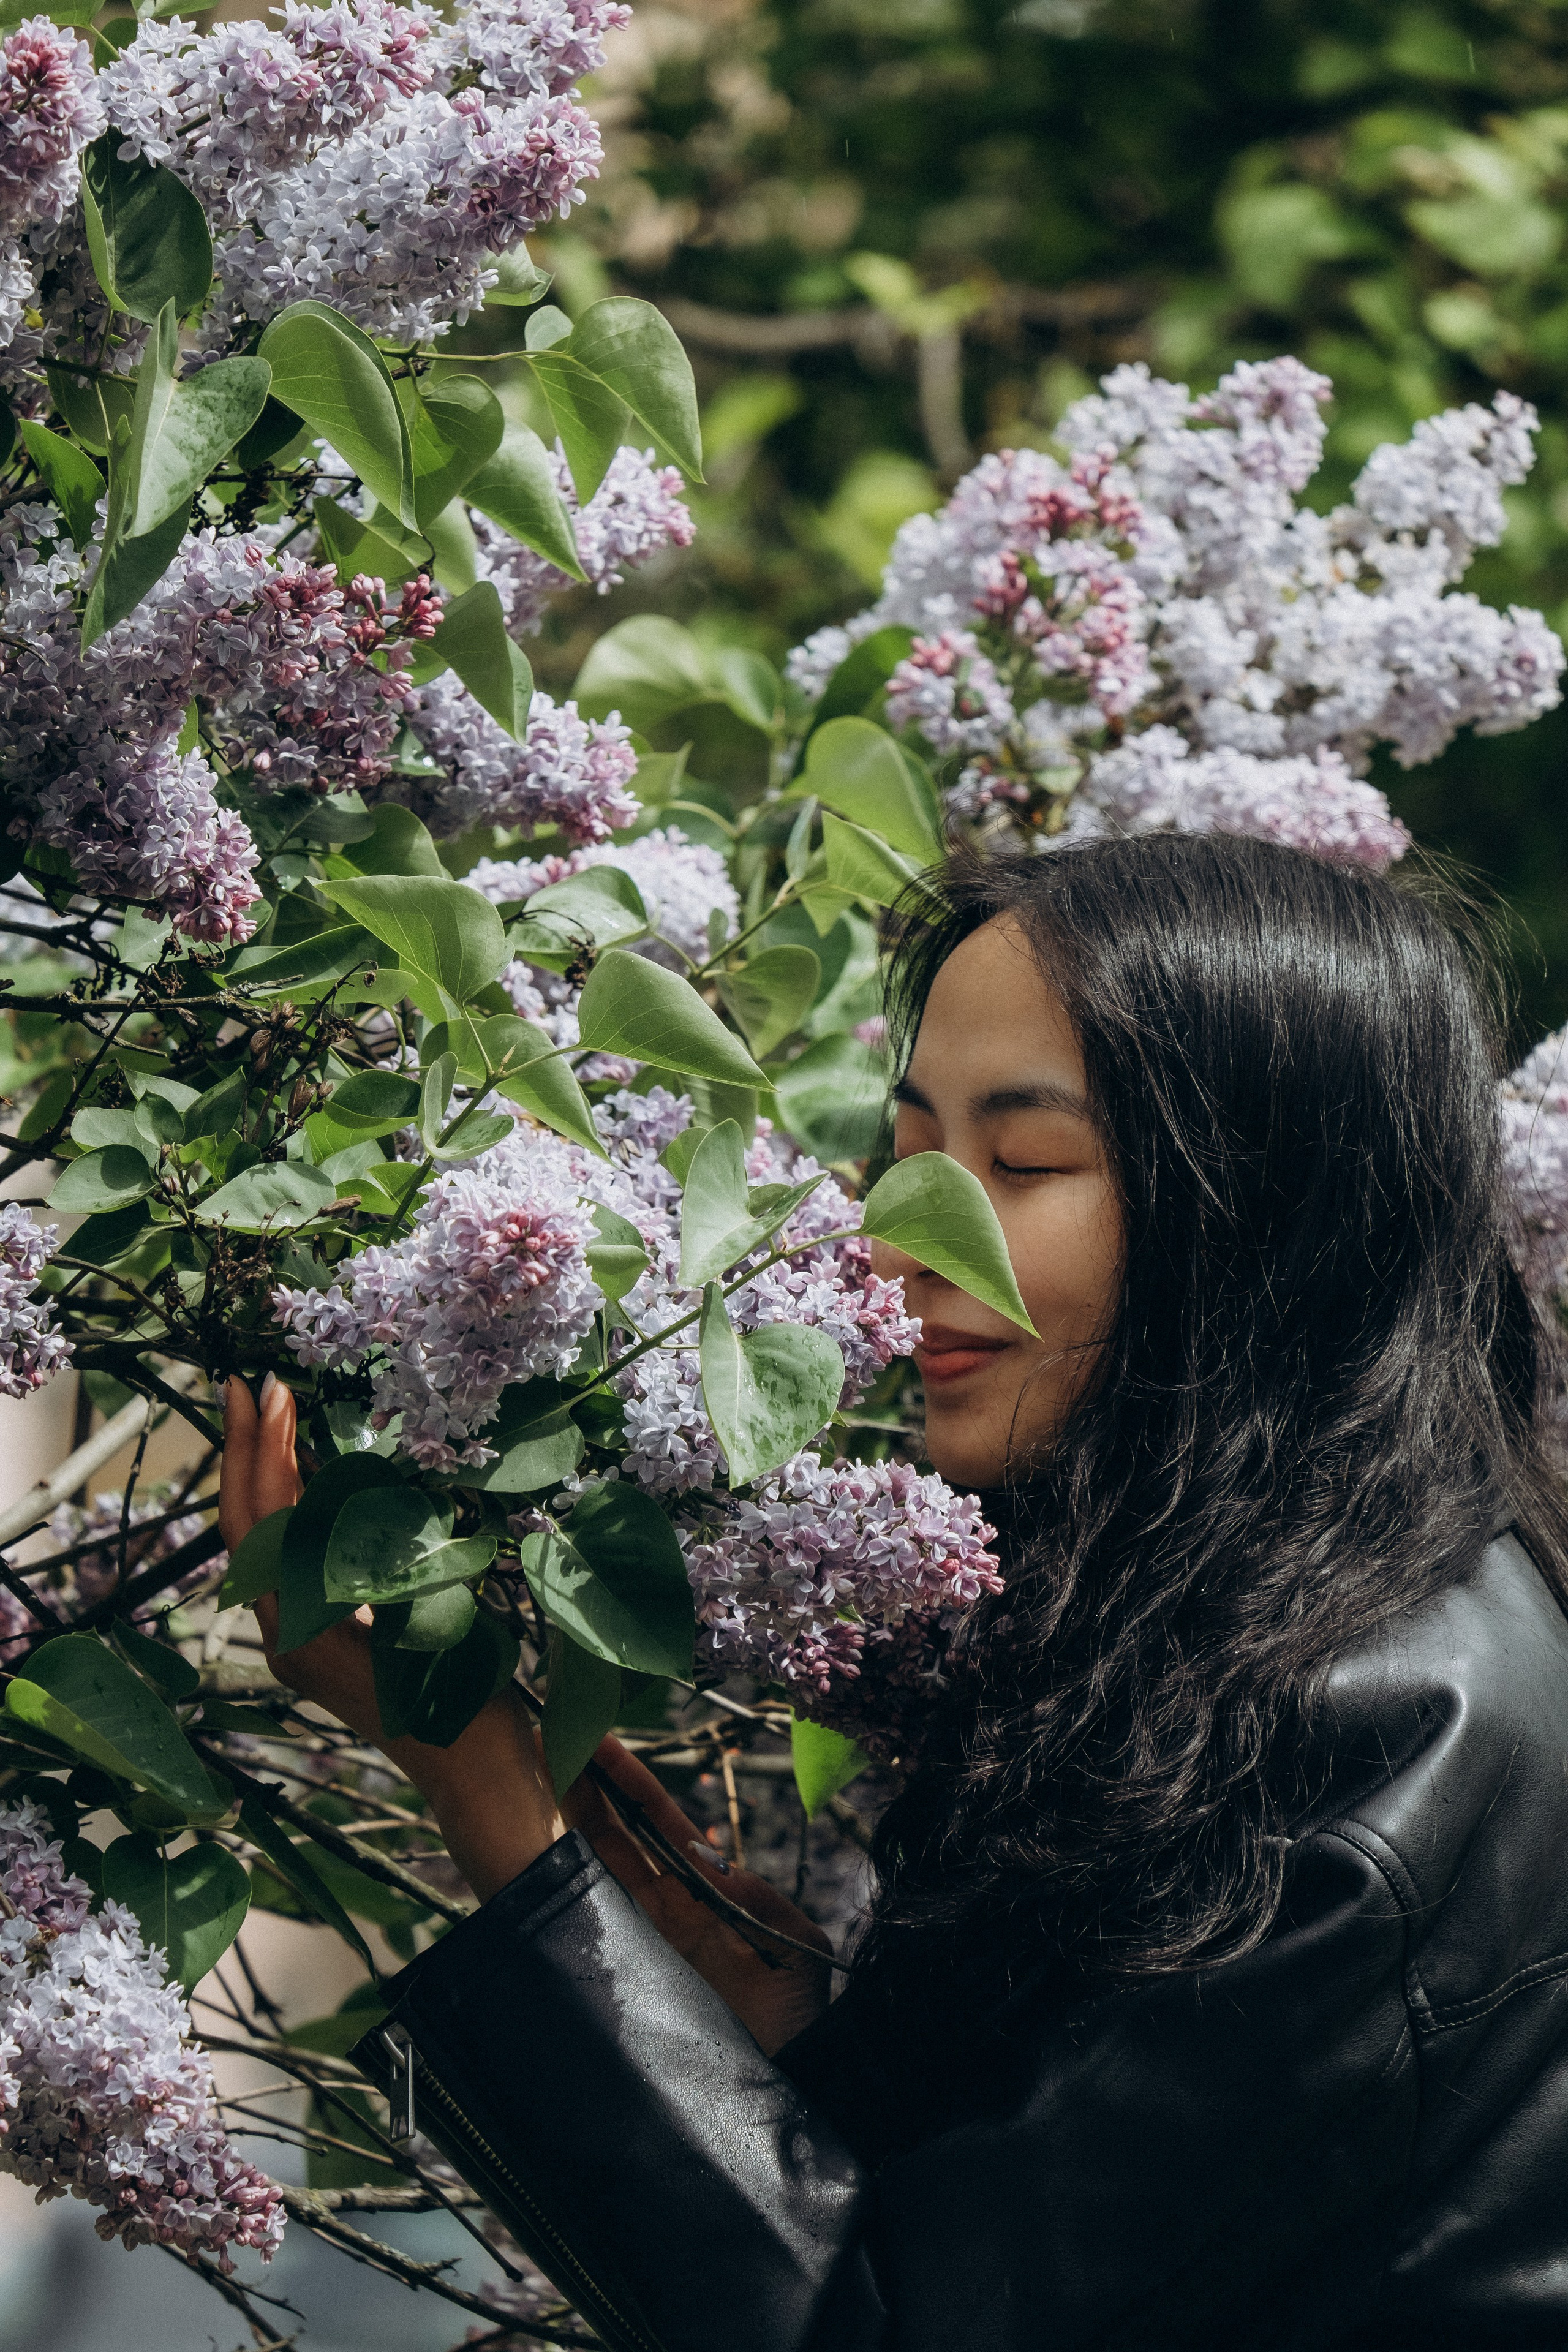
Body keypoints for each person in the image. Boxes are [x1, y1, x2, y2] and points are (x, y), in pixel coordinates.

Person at [219, 832, 1568, 2352]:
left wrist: (486, 1793)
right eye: (911, 1150)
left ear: (1261, 1216)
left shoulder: (1371, 1743)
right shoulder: (1234, 1636)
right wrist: (806, 2046)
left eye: (1025, 1163)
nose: (892, 1241)